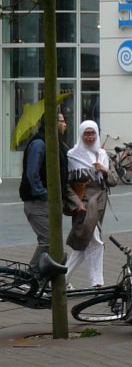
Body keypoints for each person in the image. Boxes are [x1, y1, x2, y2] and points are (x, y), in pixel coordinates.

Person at [19, 111, 70, 275]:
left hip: (51, 203)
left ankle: (43, 280)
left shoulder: (55, 143)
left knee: (52, 242)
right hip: (38, 202)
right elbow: (32, 173)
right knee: (49, 241)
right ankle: (31, 275)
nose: (65, 124)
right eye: (61, 121)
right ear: (52, 123)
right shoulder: (39, 143)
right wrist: (43, 194)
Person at [65, 120, 111, 288]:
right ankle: (97, 282)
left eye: (93, 133)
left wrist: (104, 170)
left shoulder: (102, 154)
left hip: (100, 202)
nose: (90, 137)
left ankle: (61, 279)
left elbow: (113, 181)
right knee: (95, 241)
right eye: (86, 133)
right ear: (81, 134)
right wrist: (76, 203)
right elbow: (67, 184)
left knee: (85, 243)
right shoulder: (72, 154)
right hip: (84, 203)